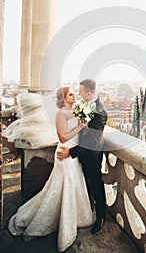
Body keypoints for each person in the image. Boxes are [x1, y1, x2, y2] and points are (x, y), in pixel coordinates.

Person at [8, 86, 93, 252]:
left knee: (74, 182)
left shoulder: (75, 110)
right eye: (70, 94)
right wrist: (80, 127)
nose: (74, 95)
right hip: (65, 153)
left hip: (73, 154)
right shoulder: (61, 114)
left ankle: (77, 217)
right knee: (64, 183)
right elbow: (62, 137)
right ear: (63, 98)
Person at [57, 79, 108, 234]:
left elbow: (93, 142)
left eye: (80, 92)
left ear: (89, 93)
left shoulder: (100, 112)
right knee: (84, 184)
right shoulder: (84, 105)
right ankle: (87, 211)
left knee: (96, 185)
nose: (79, 94)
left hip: (91, 155)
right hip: (80, 152)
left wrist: (70, 153)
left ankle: (101, 217)